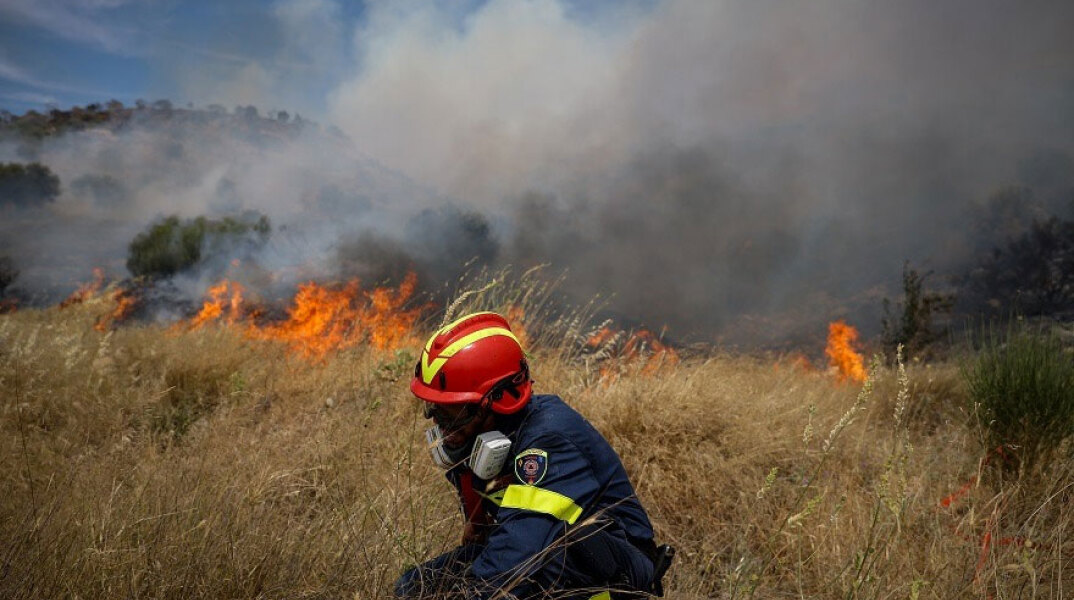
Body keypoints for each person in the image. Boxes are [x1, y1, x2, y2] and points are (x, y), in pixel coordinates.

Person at [396, 311, 672, 600]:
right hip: (541, 545)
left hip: (613, 569)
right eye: (434, 409)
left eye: (451, 411)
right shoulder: (474, 439)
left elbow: (513, 560)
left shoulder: (548, 441)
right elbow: (484, 532)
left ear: (496, 400)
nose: (439, 423)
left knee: (529, 574)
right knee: (414, 585)